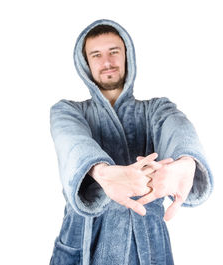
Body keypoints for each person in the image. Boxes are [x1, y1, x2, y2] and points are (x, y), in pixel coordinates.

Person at [49, 19, 213, 265]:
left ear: (128, 56)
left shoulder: (156, 109)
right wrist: (101, 172)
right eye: (96, 55)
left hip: (147, 244)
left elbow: (177, 129)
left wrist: (186, 162)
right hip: (84, 243)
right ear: (86, 63)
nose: (107, 62)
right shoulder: (68, 111)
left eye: (114, 52)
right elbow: (72, 142)